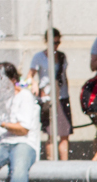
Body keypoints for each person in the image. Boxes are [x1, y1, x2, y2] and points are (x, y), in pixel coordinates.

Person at [29, 30, 72, 160]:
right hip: (47, 98)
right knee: (51, 134)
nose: (56, 45)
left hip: (62, 97)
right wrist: (35, 84)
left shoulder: (62, 56)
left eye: (58, 42)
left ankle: (65, 167)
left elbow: (64, 77)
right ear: (47, 42)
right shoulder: (39, 57)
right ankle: (51, 163)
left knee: (65, 134)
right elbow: (29, 77)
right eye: (53, 43)